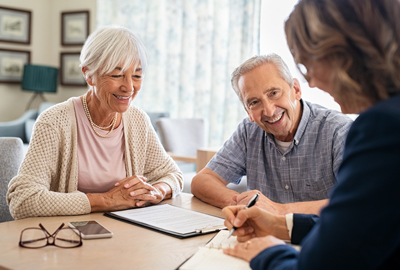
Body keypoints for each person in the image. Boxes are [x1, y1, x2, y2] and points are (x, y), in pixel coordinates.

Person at [222, 0, 400, 268]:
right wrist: (280, 225)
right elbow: (357, 223)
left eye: (308, 64)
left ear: (342, 53)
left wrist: (267, 253)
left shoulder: (382, 127)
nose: (312, 81)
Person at [7, 26, 183, 219]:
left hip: (128, 234)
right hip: (69, 237)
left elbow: (173, 175)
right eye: (117, 75)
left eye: (137, 76)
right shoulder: (54, 122)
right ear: (89, 74)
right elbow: (23, 201)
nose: (129, 87)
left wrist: (157, 191)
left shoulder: (138, 120)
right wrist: (107, 200)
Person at [191, 54, 352, 215]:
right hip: (263, 238)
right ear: (249, 112)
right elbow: (201, 181)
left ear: (295, 90)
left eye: (273, 93)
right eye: (254, 102)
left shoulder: (339, 130)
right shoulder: (249, 131)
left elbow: (357, 201)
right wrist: (246, 205)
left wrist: (278, 210)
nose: (269, 110)